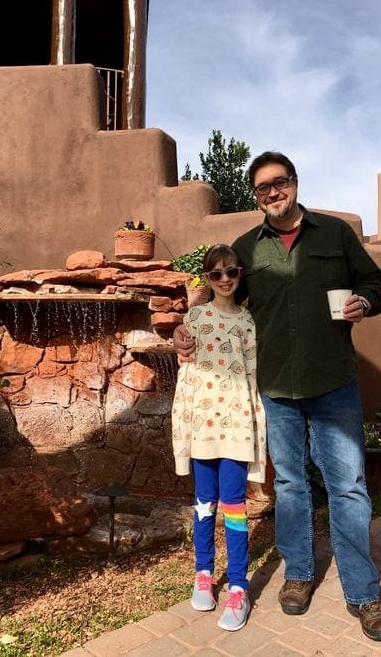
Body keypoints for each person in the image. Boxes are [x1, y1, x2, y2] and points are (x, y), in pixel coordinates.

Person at [174, 152, 381, 642]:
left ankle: (363, 594)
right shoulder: (246, 248)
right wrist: (184, 335)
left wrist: (366, 302)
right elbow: (221, 299)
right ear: (256, 196)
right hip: (276, 387)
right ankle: (298, 573)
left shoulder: (335, 234)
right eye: (262, 188)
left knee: (349, 487)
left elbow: (371, 281)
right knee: (291, 486)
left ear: (294, 184)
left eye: (279, 183)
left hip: (333, 380)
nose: (272, 192)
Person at [172, 244, 266, 632]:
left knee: (234, 507)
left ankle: (239, 586)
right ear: (207, 279)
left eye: (231, 272)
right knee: (204, 505)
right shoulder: (194, 318)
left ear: (240, 276)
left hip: (235, 428)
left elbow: (253, 375)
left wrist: (257, 423)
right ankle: (204, 573)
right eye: (216, 274)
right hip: (202, 428)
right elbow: (186, 369)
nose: (225, 279)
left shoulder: (248, 322)